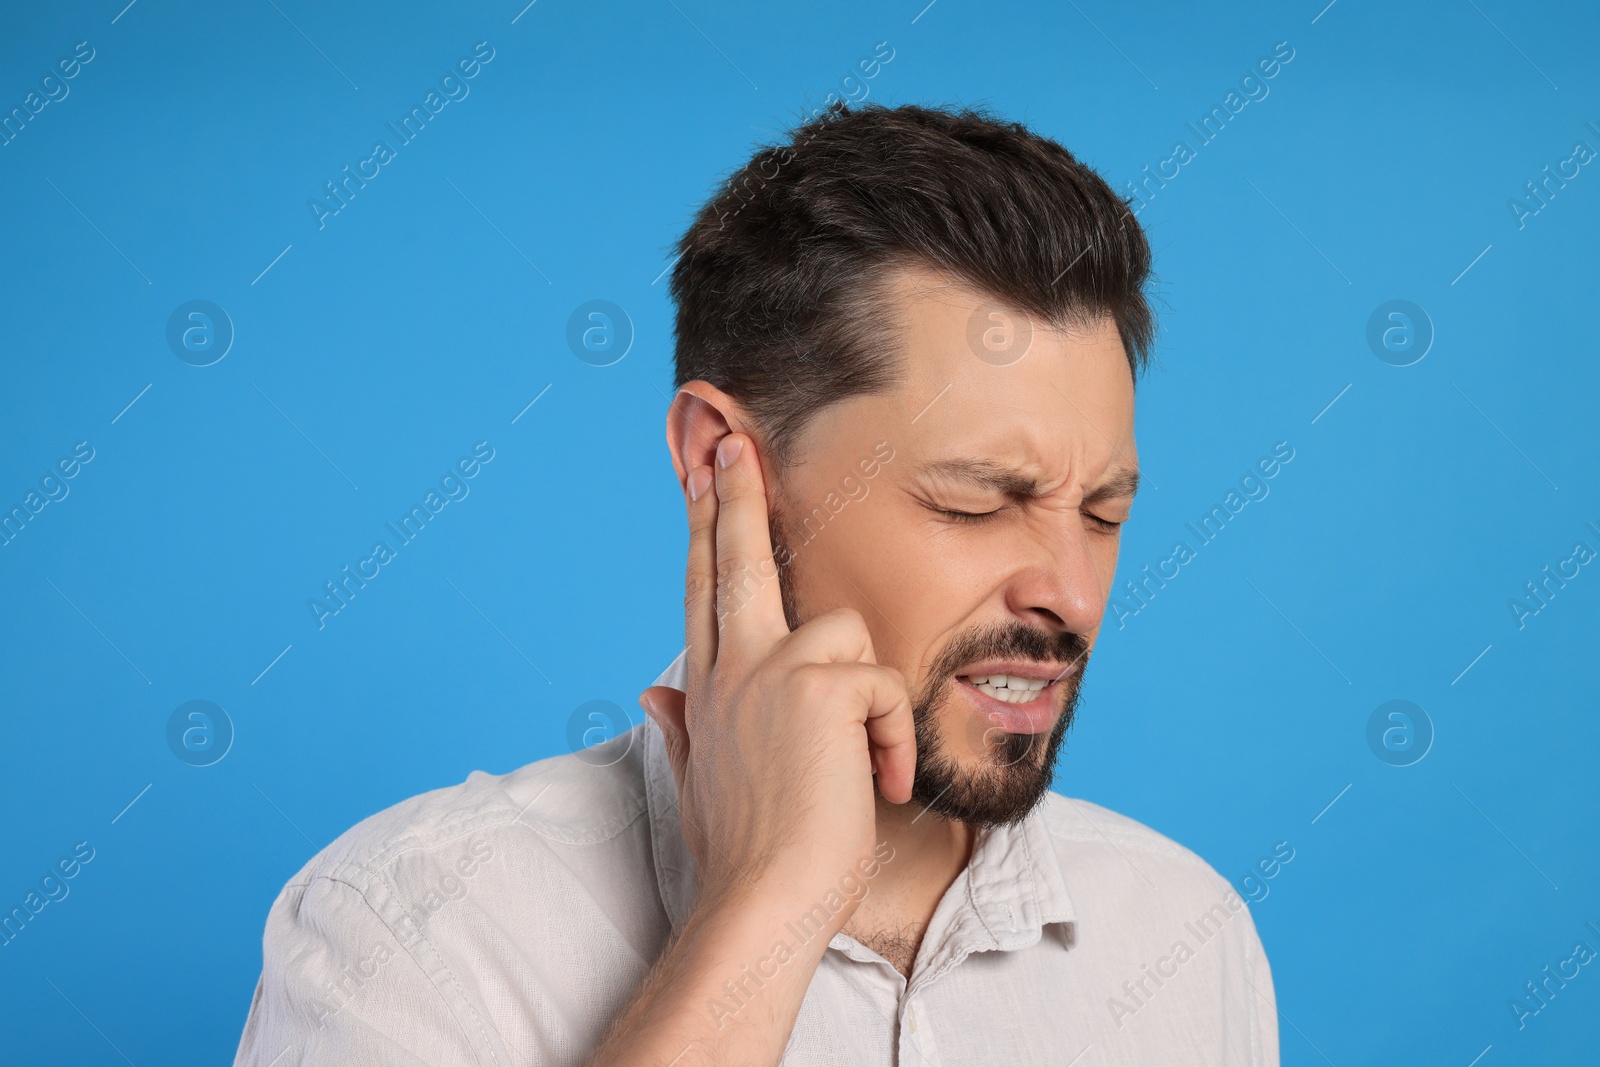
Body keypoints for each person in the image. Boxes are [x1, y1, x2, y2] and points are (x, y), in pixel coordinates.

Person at [234, 103, 1278, 1066]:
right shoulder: (406, 923)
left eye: (1103, 513)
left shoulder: (1186, 933)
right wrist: (766, 902)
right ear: (721, 461)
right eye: (973, 502)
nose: (1073, 596)